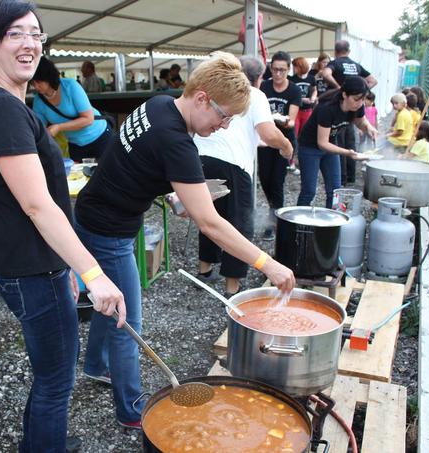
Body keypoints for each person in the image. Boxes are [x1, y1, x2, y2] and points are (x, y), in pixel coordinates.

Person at [74, 51, 295, 431]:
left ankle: (96, 366)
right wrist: (268, 264)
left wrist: (177, 196)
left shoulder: (160, 105)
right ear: (203, 98)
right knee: (128, 320)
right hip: (109, 230)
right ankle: (130, 409)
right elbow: (210, 224)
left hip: (94, 214)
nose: (224, 127)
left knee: (108, 301)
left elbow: (138, 162)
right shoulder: (178, 141)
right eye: (224, 116)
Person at [0, 2, 125, 451]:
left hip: (37, 265)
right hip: (32, 269)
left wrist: (72, 269)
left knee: (50, 377)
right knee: (56, 380)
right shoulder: (1, 109)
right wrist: (93, 275)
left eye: (36, 34)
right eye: (16, 34)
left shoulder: (16, 107)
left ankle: (42, 442)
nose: (30, 43)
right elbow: (38, 206)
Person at [194, 55, 294, 297]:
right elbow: (269, 133)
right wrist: (286, 146)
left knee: (209, 215)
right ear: (259, 77)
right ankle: (232, 285)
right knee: (239, 223)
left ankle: (204, 270)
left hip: (199, 157)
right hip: (232, 163)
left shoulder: (218, 88)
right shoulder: (254, 94)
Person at [296, 76, 378, 208]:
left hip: (331, 146)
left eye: (363, 99)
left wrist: (369, 127)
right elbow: (322, 143)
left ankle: (331, 223)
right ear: (345, 94)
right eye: (356, 99)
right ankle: (296, 224)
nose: (360, 103)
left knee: (335, 190)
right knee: (309, 191)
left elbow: (360, 121)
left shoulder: (357, 106)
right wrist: (348, 152)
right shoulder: (327, 108)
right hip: (310, 147)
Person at [31, 57, 113, 162]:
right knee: (78, 177)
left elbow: (88, 119)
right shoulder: (38, 101)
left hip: (100, 136)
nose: (36, 86)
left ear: (48, 76)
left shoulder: (70, 86)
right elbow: (39, 130)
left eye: (39, 81)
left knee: (107, 173)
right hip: (76, 144)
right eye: (33, 83)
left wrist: (59, 127)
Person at [258, 50, 301, 239]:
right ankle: (273, 210)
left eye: (282, 70)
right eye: (275, 69)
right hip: (265, 140)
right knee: (265, 179)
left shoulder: (294, 90)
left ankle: (274, 221)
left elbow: (291, 120)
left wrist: (280, 120)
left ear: (288, 70)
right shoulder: (264, 86)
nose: (278, 74)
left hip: (284, 141)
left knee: (277, 182)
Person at [322, 40, 377, 185]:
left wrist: (338, 88)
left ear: (335, 51)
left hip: (344, 107)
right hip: (346, 111)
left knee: (339, 144)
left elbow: (325, 74)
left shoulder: (335, 64)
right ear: (349, 50)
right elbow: (373, 80)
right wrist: (363, 90)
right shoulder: (356, 65)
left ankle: (342, 178)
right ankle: (350, 177)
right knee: (349, 143)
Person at [289, 56, 317, 174]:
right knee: (293, 136)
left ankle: (304, 161)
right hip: (296, 111)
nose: (293, 69)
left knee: (305, 137)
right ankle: (291, 162)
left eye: (295, 66)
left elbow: (315, 90)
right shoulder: (292, 79)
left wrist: (313, 98)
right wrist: (302, 99)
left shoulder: (311, 78)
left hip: (308, 111)